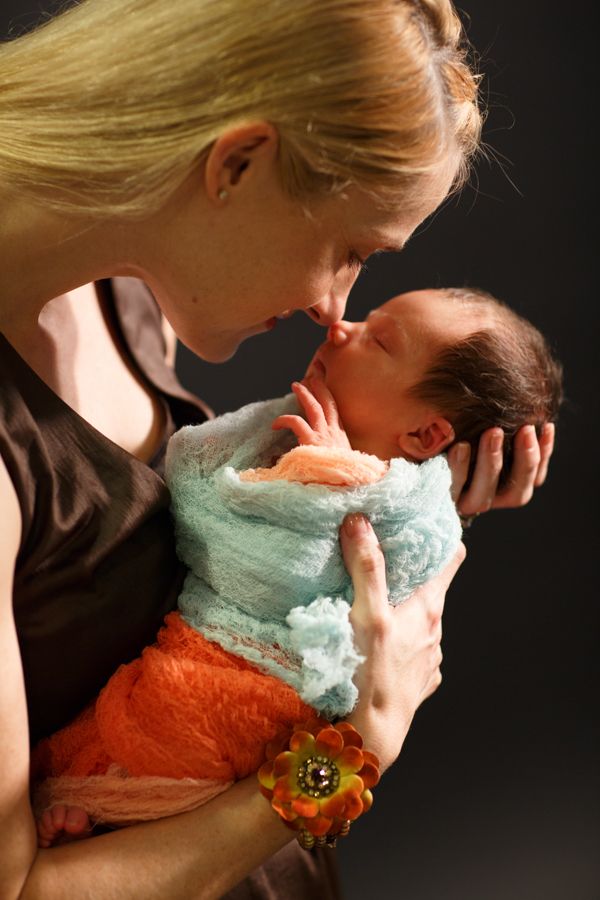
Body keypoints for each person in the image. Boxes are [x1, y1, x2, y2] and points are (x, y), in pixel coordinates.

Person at [0, 1, 555, 897]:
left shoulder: (125, 287)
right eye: (348, 250)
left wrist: (389, 507)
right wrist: (346, 761)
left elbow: (195, 575)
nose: (336, 307)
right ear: (239, 163)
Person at [31, 285, 562, 843]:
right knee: (125, 724)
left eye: (378, 340)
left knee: (165, 726)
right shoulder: (295, 431)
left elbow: (291, 564)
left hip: (266, 685)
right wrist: (367, 743)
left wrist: (337, 476)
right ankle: (95, 804)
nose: (338, 322)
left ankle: (100, 802)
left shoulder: (386, 497)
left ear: (427, 435)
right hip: (260, 789)